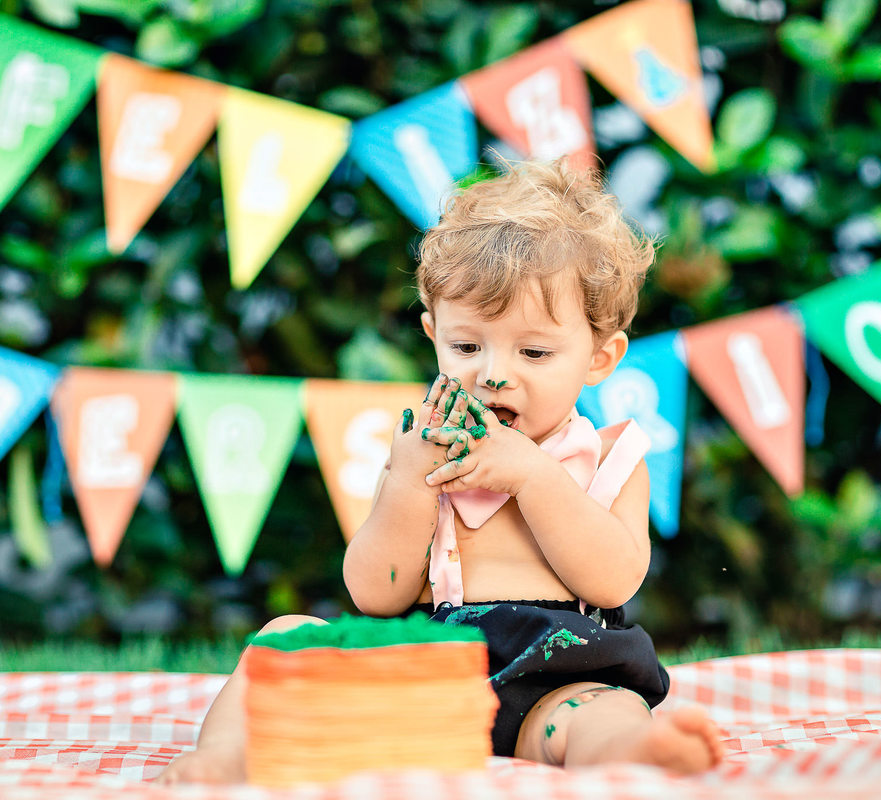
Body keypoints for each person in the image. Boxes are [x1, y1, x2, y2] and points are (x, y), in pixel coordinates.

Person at [157, 159, 724, 785]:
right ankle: (224, 757)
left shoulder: (609, 459)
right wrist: (406, 484)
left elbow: (613, 581)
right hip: (417, 681)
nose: (492, 373)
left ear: (599, 356)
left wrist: (532, 476)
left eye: (534, 351)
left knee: (602, 712)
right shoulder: (421, 453)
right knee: (285, 634)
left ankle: (634, 756)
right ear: (433, 334)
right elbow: (377, 593)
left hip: (554, 676)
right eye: (466, 346)